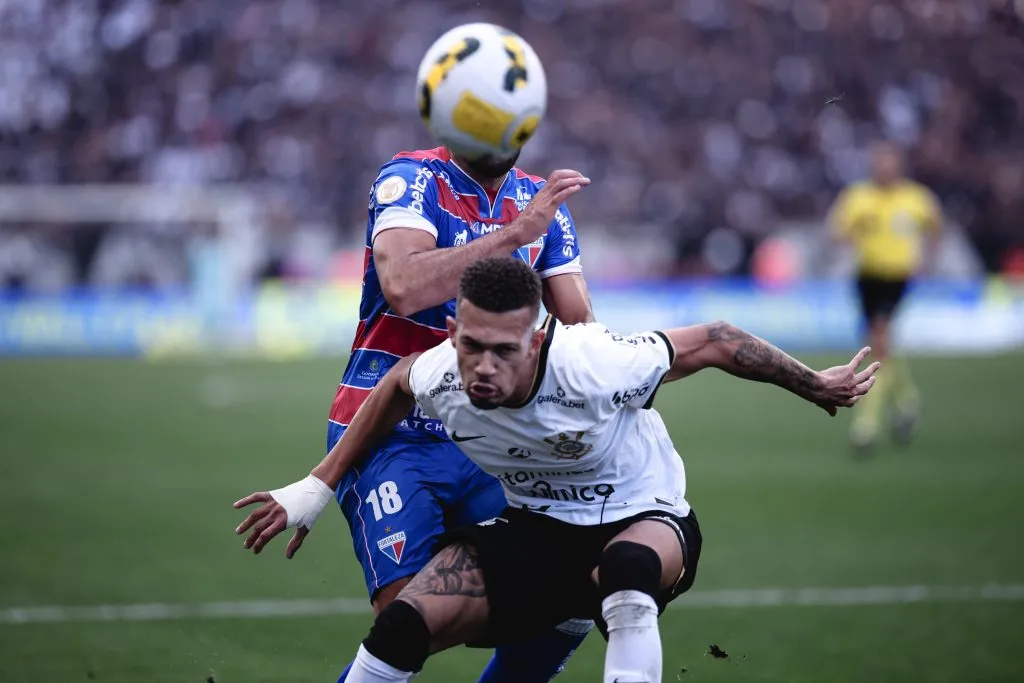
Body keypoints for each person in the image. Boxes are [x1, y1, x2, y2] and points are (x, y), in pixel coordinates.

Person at [235, 256, 880, 683]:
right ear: (454, 329)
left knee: (626, 575)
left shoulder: (593, 361)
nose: (483, 367)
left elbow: (713, 338)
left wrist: (813, 384)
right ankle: (568, 611)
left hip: (645, 519)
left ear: (537, 341)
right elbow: (398, 384)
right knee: (399, 626)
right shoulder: (441, 372)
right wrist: (317, 487)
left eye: (504, 351)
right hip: (539, 529)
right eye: (471, 346)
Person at [243, 145, 596, 682]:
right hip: (389, 431)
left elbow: (580, 328)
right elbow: (404, 288)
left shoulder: (541, 202)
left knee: (572, 583)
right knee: (407, 618)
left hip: (486, 434)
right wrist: (513, 235)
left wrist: (609, 376)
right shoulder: (411, 177)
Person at [828, 141, 943, 451]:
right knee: (881, 343)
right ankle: (908, 401)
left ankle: (866, 427)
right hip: (867, 278)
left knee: (878, 341)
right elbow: (836, 232)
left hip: (897, 279)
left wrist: (928, 260)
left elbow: (936, 225)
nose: (884, 171)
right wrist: (852, 234)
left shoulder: (915, 198)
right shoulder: (858, 197)